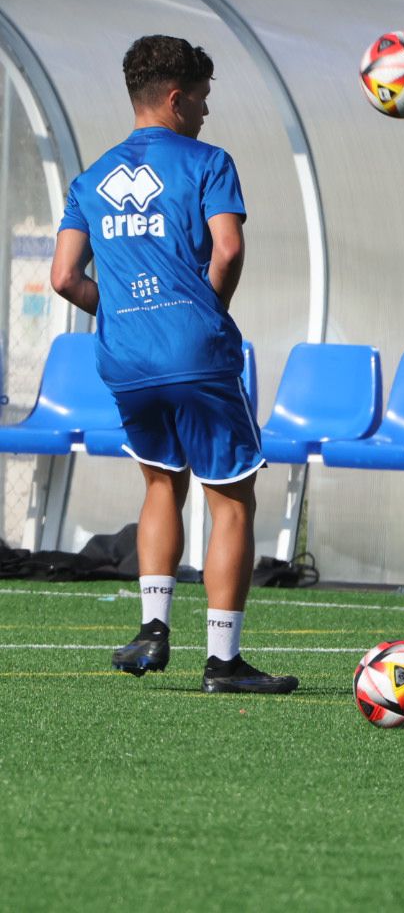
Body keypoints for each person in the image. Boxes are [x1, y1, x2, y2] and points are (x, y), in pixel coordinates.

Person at [51, 35, 293, 694]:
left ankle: (153, 629)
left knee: (161, 484)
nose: (207, 113)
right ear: (177, 98)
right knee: (231, 501)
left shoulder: (90, 179)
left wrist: (125, 312)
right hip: (195, 350)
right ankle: (224, 662)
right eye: (204, 99)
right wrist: (203, 309)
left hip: (125, 356)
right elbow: (228, 248)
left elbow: (65, 277)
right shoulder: (209, 162)